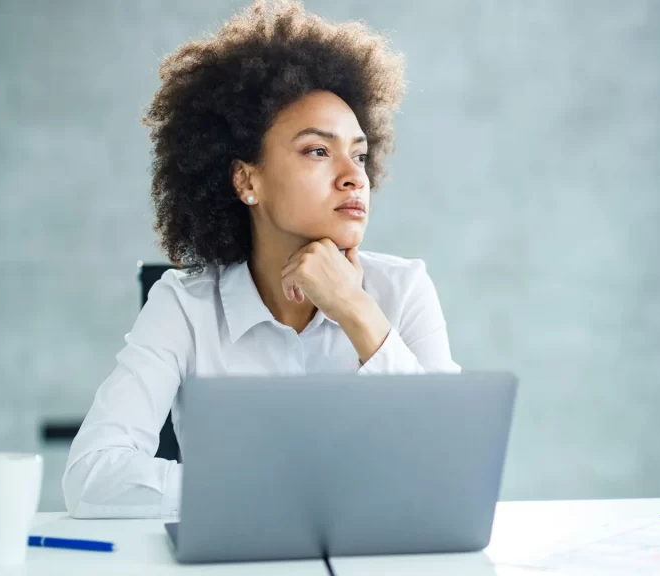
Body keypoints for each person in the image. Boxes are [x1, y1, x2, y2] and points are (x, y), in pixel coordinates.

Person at [63, 0, 459, 519]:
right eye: (319, 151)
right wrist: (271, 490)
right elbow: (92, 476)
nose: (353, 176)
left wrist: (359, 314)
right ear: (247, 180)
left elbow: (451, 472)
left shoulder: (403, 290)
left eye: (359, 155)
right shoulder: (185, 306)